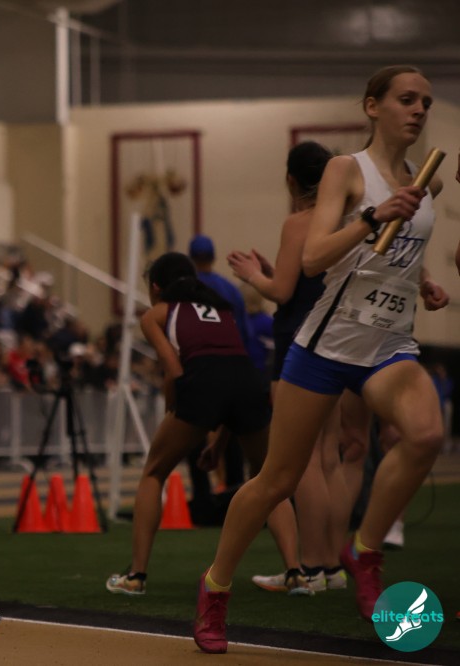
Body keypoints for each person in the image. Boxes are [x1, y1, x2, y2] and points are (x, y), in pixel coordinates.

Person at [195, 65, 450, 654]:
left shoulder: (425, 179)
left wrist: (424, 282)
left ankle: (365, 553)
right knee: (277, 479)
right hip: (326, 346)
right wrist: (371, 217)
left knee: (425, 433)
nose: (418, 110)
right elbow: (313, 260)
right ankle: (216, 587)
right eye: (406, 99)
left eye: (426, 102)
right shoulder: (345, 171)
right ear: (372, 106)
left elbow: (402, 252)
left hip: (388, 345)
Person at [228, 141, 359, 594]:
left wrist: (252, 276)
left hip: (298, 346)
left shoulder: (300, 222)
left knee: (299, 462)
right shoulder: (346, 222)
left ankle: (311, 568)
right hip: (336, 340)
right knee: (329, 458)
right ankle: (334, 567)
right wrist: (272, 271)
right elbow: (303, 282)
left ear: (291, 181)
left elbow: (281, 293)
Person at [105, 252, 275, 596]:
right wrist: (220, 440)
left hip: (203, 384)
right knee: (271, 478)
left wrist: (175, 407)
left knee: (154, 472)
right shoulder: (223, 308)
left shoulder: (158, 313)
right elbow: (231, 372)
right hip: (248, 383)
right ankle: (298, 571)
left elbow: (174, 368)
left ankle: (136, 576)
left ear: (156, 287)